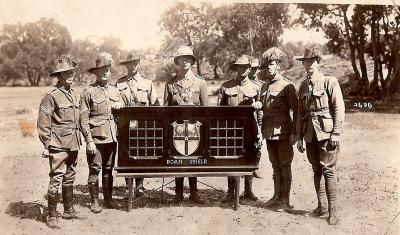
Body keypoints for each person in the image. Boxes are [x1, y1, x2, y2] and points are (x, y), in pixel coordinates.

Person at [296, 47, 345, 225]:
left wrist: (336, 132)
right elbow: (300, 114)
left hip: (326, 132)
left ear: (318, 61)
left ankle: (333, 212)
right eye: (305, 61)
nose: (308, 64)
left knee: (328, 170)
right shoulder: (301, 86)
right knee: (316, 169)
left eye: (311, 61)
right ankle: (321, 206)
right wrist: (300, 137)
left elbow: (339, 108)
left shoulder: (328, 82)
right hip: (310, 134)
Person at [37, 55, 81, 228]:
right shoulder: (51, 96)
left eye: (72, 71)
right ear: (59, 75)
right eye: (66, 73)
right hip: (58, 144)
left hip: (73, 143)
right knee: (56, 177)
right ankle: (52, 215)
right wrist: (47, 145)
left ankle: (68, 210)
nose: (70, 75)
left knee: (69, 176)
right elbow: (43, 122)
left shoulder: (73, 94)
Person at [252, 47, 298, 211]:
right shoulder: (263, 87)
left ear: (278, 65)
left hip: (284, 132)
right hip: (269, 132)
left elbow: (297, 111)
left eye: (272, 64)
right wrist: (258, 105)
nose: (269, 67)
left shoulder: (287, 86)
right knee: (275, 166)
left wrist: (295, 133)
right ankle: (276, 196)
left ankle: (285, 200)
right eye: (267, 65)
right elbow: (262, 106)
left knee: (285, 166)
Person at [80, 52, 124, 213]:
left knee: (108, 168)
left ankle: (108, 199)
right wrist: (89, 140)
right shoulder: (88, 92)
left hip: (112, 137)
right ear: (96, 72)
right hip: (97, 138)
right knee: (95, 169)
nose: (105, 72)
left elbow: (121, 115)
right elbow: (83, 119)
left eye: (107, 69)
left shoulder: (115, 91)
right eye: (102, 69)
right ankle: (94, 202)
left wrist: (120, 105)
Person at [163, 45, 208, 204]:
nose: (185, 62)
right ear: (178, 61)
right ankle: (178, 193)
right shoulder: (171, 83)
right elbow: (166, 110)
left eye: (188, 59)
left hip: (195, 128)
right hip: (177, 129)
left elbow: (205, 110)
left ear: (192, 61)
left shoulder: (200, 83)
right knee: (178, 159)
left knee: (194, 159)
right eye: (182, 59)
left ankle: (194, 192)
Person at [217, 54, 262, 203]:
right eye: (239, 67)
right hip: (230, 131)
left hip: (250, 129)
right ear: (235, 68)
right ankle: (231, 192)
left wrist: (259, 131)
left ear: (250, 69)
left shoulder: (256, 87)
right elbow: (218, 111)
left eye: (245, 67)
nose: (242, 70)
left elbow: (261, 111)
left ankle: (248, 191)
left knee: (249, 157)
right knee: (231, 159)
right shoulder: (226, 87)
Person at [116, 49, 159, 198]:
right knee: (126, 154)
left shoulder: (147, 82)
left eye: (135, 63)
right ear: (126, 65)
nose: (132, 66)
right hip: (125, 126)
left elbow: (155, 105)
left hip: (143, 125)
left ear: (139, 64)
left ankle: (140, 186)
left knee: (142, 153)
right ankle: (128, 186)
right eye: (130, 63)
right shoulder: (119, 83)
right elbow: (115, 104)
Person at [249, 57, 264, 179]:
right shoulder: (244, 82)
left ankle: (255, 167)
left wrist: (260, 124)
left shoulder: (260, 85)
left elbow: (261, 109)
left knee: (258, 146)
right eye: (252, 69)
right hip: (246, 122)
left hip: (256, 121)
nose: (254, 71)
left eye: (256, 69)